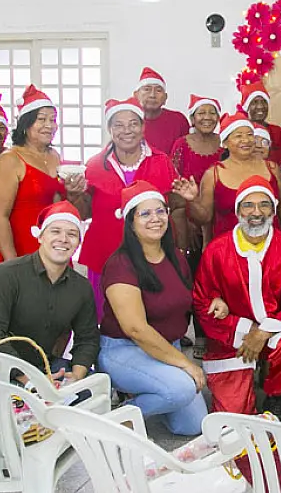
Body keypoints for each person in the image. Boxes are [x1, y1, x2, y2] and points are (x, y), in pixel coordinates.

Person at [192, 175, 281, 422]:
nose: (256, 212)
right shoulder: (217, 250)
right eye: (248, 205)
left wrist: (263, 332)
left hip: (274, 331)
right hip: (231, 336)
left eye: (264, 204)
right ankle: (244, 378)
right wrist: (245, 329)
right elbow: (203, 301)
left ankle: (276, 395)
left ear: (273, 210)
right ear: (238, 210)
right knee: (233, 419)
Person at [98, 181, 208, 435]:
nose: (155, 219)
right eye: (145, 213)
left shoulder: (175, 257)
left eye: (160, 211)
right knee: (182, 388)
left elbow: (187, 301)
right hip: (124, 349)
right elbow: (135, 329)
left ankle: (153, 390)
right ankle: (117, 419)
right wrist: (186, 364)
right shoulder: (121, 264)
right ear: (130, 222)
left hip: (166, 347)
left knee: (193, 426)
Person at [76, 98, 196, 320]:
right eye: (118, 125)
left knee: (151, 318)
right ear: (109, 129)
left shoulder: (162, 162)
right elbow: (84, 213)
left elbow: (176, 207)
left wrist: (179, 246)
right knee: (106, 320)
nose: (126, 130)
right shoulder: (94, 165)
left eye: (133, 123)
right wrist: (75, 194)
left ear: (143, 127)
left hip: (151, 257)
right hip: (105, 254)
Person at [0, 201, 99, 380]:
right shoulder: (5, 275)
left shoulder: (81, 288)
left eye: (72, 234)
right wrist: (32, 381)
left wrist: (76, 377)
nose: (63, 239)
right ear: (40, 237)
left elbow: (87, 339)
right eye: (55, 231)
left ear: (78, 243)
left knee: (91, 390)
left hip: (41, 365)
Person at [0, 85, 74, 261]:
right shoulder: (10, 159)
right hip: (21, 249)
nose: (49, 125)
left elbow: (57, 204)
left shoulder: (54, 156)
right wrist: (11, 262)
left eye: (53, 119)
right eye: (41, 119)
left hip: (54, 247)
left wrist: (74, 190)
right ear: (25, 125)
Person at [189, 112, 281, 239]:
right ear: (225, 143)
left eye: (250, 135)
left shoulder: (272, 168)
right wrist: (192, 201)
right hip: (228, 250)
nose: (246, 140)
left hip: (270, 247)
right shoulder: (214, 174)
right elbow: (205, 218)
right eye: (238, 136)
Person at [133, 67, 190, 155]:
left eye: (158, 90)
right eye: (147, 89)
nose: (152, 95)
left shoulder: (178, 120)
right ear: (136, 95)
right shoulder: (127, 122)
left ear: (165, 98)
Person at [170, 95, 222, 187]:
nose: (207, 117)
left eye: (212, 113)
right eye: (201, 113)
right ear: (192, 119)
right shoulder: (181, 144)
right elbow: (173, 178)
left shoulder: (225, 143)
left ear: (218, 119)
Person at [240, 81, 281, 164]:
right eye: (254, 102)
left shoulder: (278, 132)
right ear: (247, 106)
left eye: (263, 101)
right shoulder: (239, 132)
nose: (260, 106)